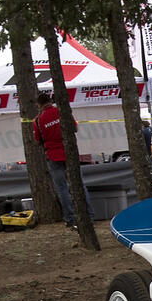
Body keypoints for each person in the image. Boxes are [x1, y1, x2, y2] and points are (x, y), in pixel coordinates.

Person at [32, 91, 92, 226]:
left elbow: (37, 141)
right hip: (70, 153)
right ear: (50, 101)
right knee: (80, 184)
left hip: (53, 156)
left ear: (39, 105)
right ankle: (89, 215)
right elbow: (75, 128)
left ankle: (70, 219)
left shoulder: (37, 120)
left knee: (62, 188)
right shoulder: (63, 112)